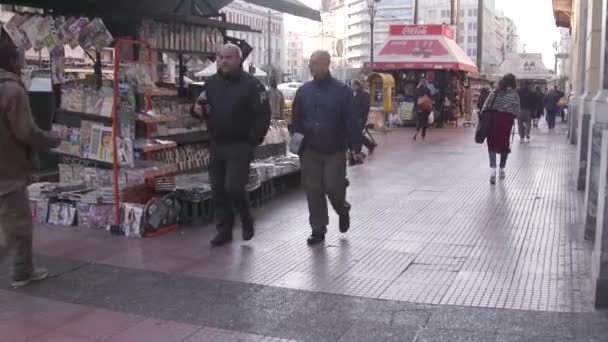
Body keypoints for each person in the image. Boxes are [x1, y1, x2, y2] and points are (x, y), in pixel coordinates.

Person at [193, 44, 271, 246]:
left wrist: (253, 139)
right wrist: (197, 110)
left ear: (238, 60)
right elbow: (200, 105)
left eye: (228, 57)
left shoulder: (252, 85)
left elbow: (263, 114)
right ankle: (224, 231)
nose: (223, 61)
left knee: (234, 187)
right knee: (218, 188)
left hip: (240, 144)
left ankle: (246, 219)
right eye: (220, 57)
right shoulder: (211, 83)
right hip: (217, 142)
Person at [0, 41, 61, 287]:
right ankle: (22, 272)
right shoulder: (11, 90)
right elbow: (26, 131)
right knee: (19, 225)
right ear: (11, 61)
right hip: (8, 168)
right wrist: (51, 140)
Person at [292, 50, 362, 245]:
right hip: (310, 149)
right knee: (313, 189)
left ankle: (342, 209)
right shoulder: (303, 91)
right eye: (314, 64)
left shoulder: (342, 91)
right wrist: (297, 142)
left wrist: (355, 147)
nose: (318, 68)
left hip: (335, 149)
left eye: (322, 64)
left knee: (333, 188)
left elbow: (351, 121)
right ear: (310, 67)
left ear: (328, 65)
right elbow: (296, 119)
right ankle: (318, 228)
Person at [483, 73, 521, 185]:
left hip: (493, 121)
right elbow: (517, 110)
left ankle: (493, 170)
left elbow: (486, 105)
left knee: (492, 145)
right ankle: (502, 169)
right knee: (504, 145)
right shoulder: (514, 95)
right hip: (506, 122)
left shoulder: (495, 92)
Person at [352, 80, 376, 154]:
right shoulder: (356, 94)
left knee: (357, 134)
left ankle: (358, 150)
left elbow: (365, 107)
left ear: (357, 85)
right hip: (355, 117)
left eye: (353, 86)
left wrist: (359, 115)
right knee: (357, 134)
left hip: (361, 118)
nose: (352, 87)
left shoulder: (364, 94)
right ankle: (370, 145)